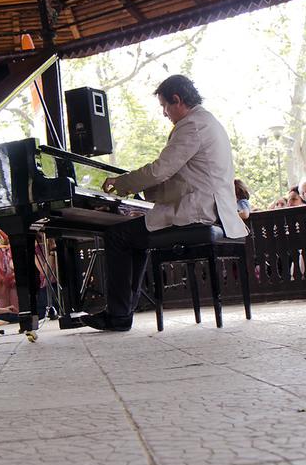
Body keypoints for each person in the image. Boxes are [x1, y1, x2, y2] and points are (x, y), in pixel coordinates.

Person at [91, 74, 247, 331]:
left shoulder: (191, 125)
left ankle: (119, 314)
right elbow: (183, 178)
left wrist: (121, 183)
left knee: (117, 235)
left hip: (198, 211)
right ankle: (123, 310)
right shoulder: (209, 121)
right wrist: (142, 193)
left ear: (177, 99)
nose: (164, 113)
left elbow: (159, 170)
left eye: (164, 106)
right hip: (213, 208)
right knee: (133, 237)